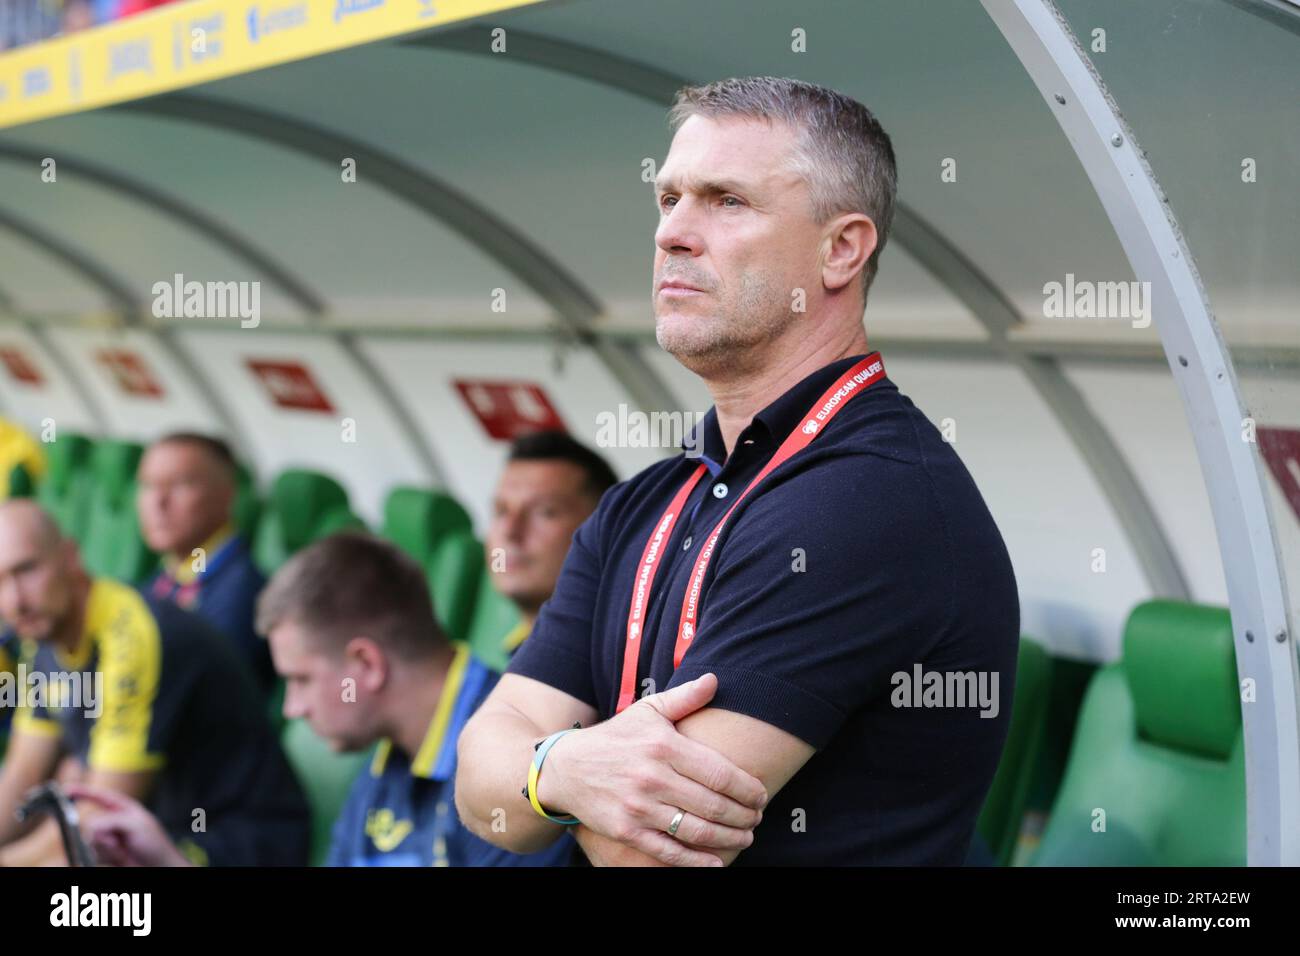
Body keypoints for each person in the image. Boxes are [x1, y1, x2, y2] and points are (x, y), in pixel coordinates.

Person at [455, 76, 1020, 866]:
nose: (673, 234)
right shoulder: (642, 503)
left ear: (841, 249)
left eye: (726, 201)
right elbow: (477, 787)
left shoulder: (870, 500)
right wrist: (562, 770)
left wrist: (540, 772)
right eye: (668, 199)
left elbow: (639, 852)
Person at [0, 499, 309, 866]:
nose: (14, 600)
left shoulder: (133, 637)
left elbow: (93, 823)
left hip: (238, 840)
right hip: (157, 827)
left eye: (27, 570)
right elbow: (23, 773)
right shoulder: (41, 638)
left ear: (70, 556)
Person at [258, 531, 574, 866]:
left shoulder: (517, 753)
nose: (293, 708)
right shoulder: (383, 762)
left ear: (367, 664)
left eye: (301, 679)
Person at [137, 432, 274, 695]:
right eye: (148, 486)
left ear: (227, 495)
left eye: (180, 485)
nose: (158, 502)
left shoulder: (241, 592)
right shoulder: (166, 577)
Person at [486, 431, 617, 656]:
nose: (510, 532)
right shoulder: (519, 649)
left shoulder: (619, 659)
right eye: (501, 511)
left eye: (545, 512)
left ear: (604, 529)